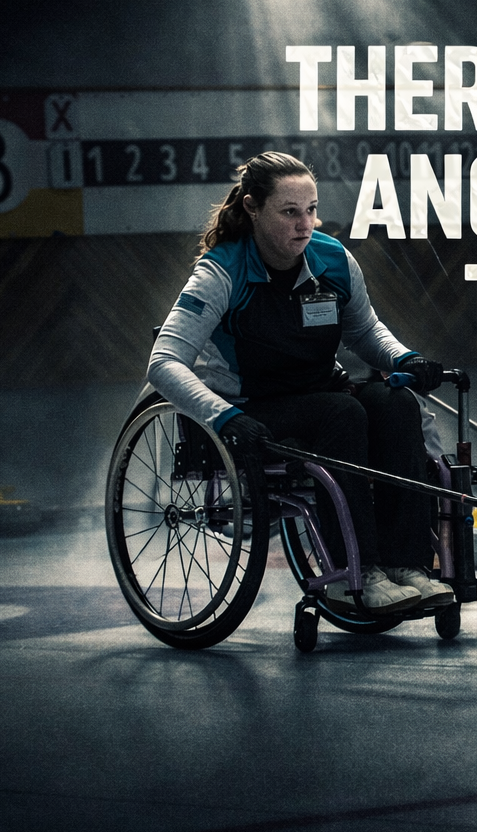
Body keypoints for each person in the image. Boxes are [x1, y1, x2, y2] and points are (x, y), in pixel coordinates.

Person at [148, 151, 454, 613]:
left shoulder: (333, 260)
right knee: (343, 412)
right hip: (251, 409)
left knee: (395, 402)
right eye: (290, 212)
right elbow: (163, 362)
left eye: (311, 210)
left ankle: (408, 566)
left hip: (319, 395)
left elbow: (366, 331)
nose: (304, 223)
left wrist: (405, 358)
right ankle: (357, 573)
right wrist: (224, 415)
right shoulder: (220, 272)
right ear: (253, 208)